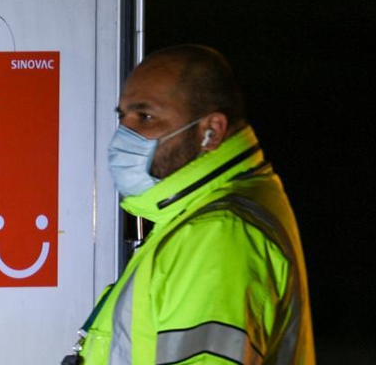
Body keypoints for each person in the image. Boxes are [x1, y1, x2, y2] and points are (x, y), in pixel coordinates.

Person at [75, 45, 315, 364]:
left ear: (210, 132)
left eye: (146, 117)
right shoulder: (190, 222)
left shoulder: (218, 235)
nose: (125, 133)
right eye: (124, 117)